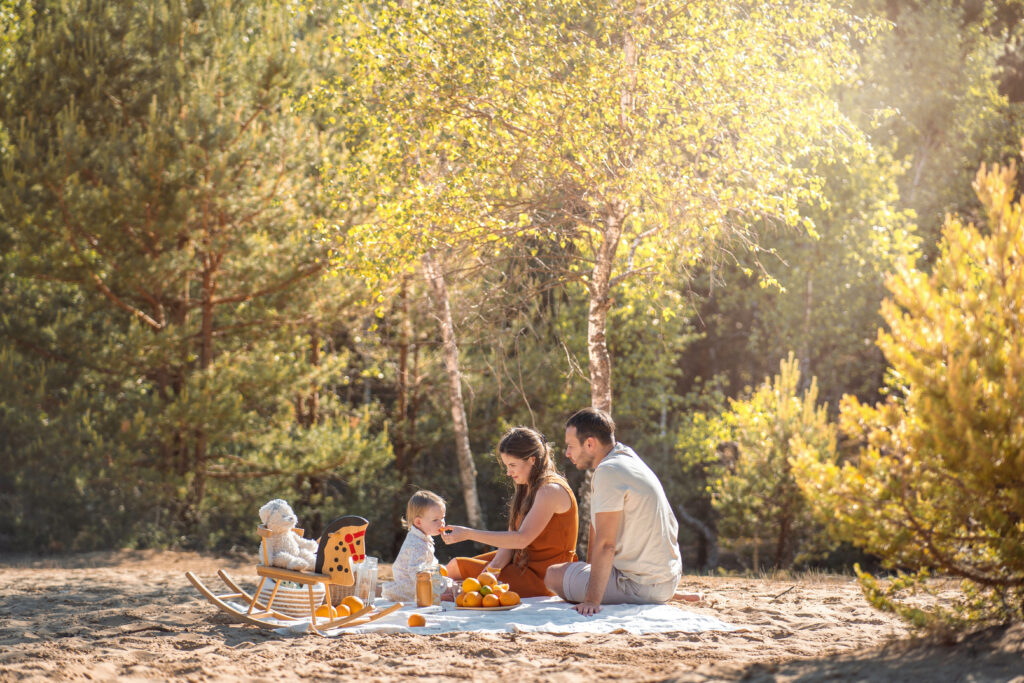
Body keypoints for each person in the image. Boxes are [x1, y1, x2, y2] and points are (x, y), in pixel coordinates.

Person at [545, 407, 684, 615]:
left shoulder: (608, 472)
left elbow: (606, 544)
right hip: (667, 580)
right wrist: (592, 574)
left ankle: (645, 594)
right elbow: (597, 528)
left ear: (590, 443)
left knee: (552, 575)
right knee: (578, 570)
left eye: (570, 446)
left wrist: (592, 600)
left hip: (642, 586)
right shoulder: (626, 456)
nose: (567, 453)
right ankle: (658, 592)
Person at [441, 426, 578, 597]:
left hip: (544, 577)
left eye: (512, 465)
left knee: (454, 580)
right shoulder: (527, 487)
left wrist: (469, 533)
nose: (508, 472)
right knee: (452, 569)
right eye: (506, 465)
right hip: (521, 563)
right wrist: (493, 569)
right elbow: (511, 539)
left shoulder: (550, 490)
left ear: (532, 460)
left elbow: (521, 540)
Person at [380, 490, 454, 603]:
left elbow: (427, 565)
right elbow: (416, 573)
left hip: (418, 584)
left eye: (442, 517)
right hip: (409, 590)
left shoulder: (421, 537)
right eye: (435, 520)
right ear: (418, 522)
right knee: (448, 592)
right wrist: (436, 591)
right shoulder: (417, 544)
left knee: (450, 585)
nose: (441, 523)